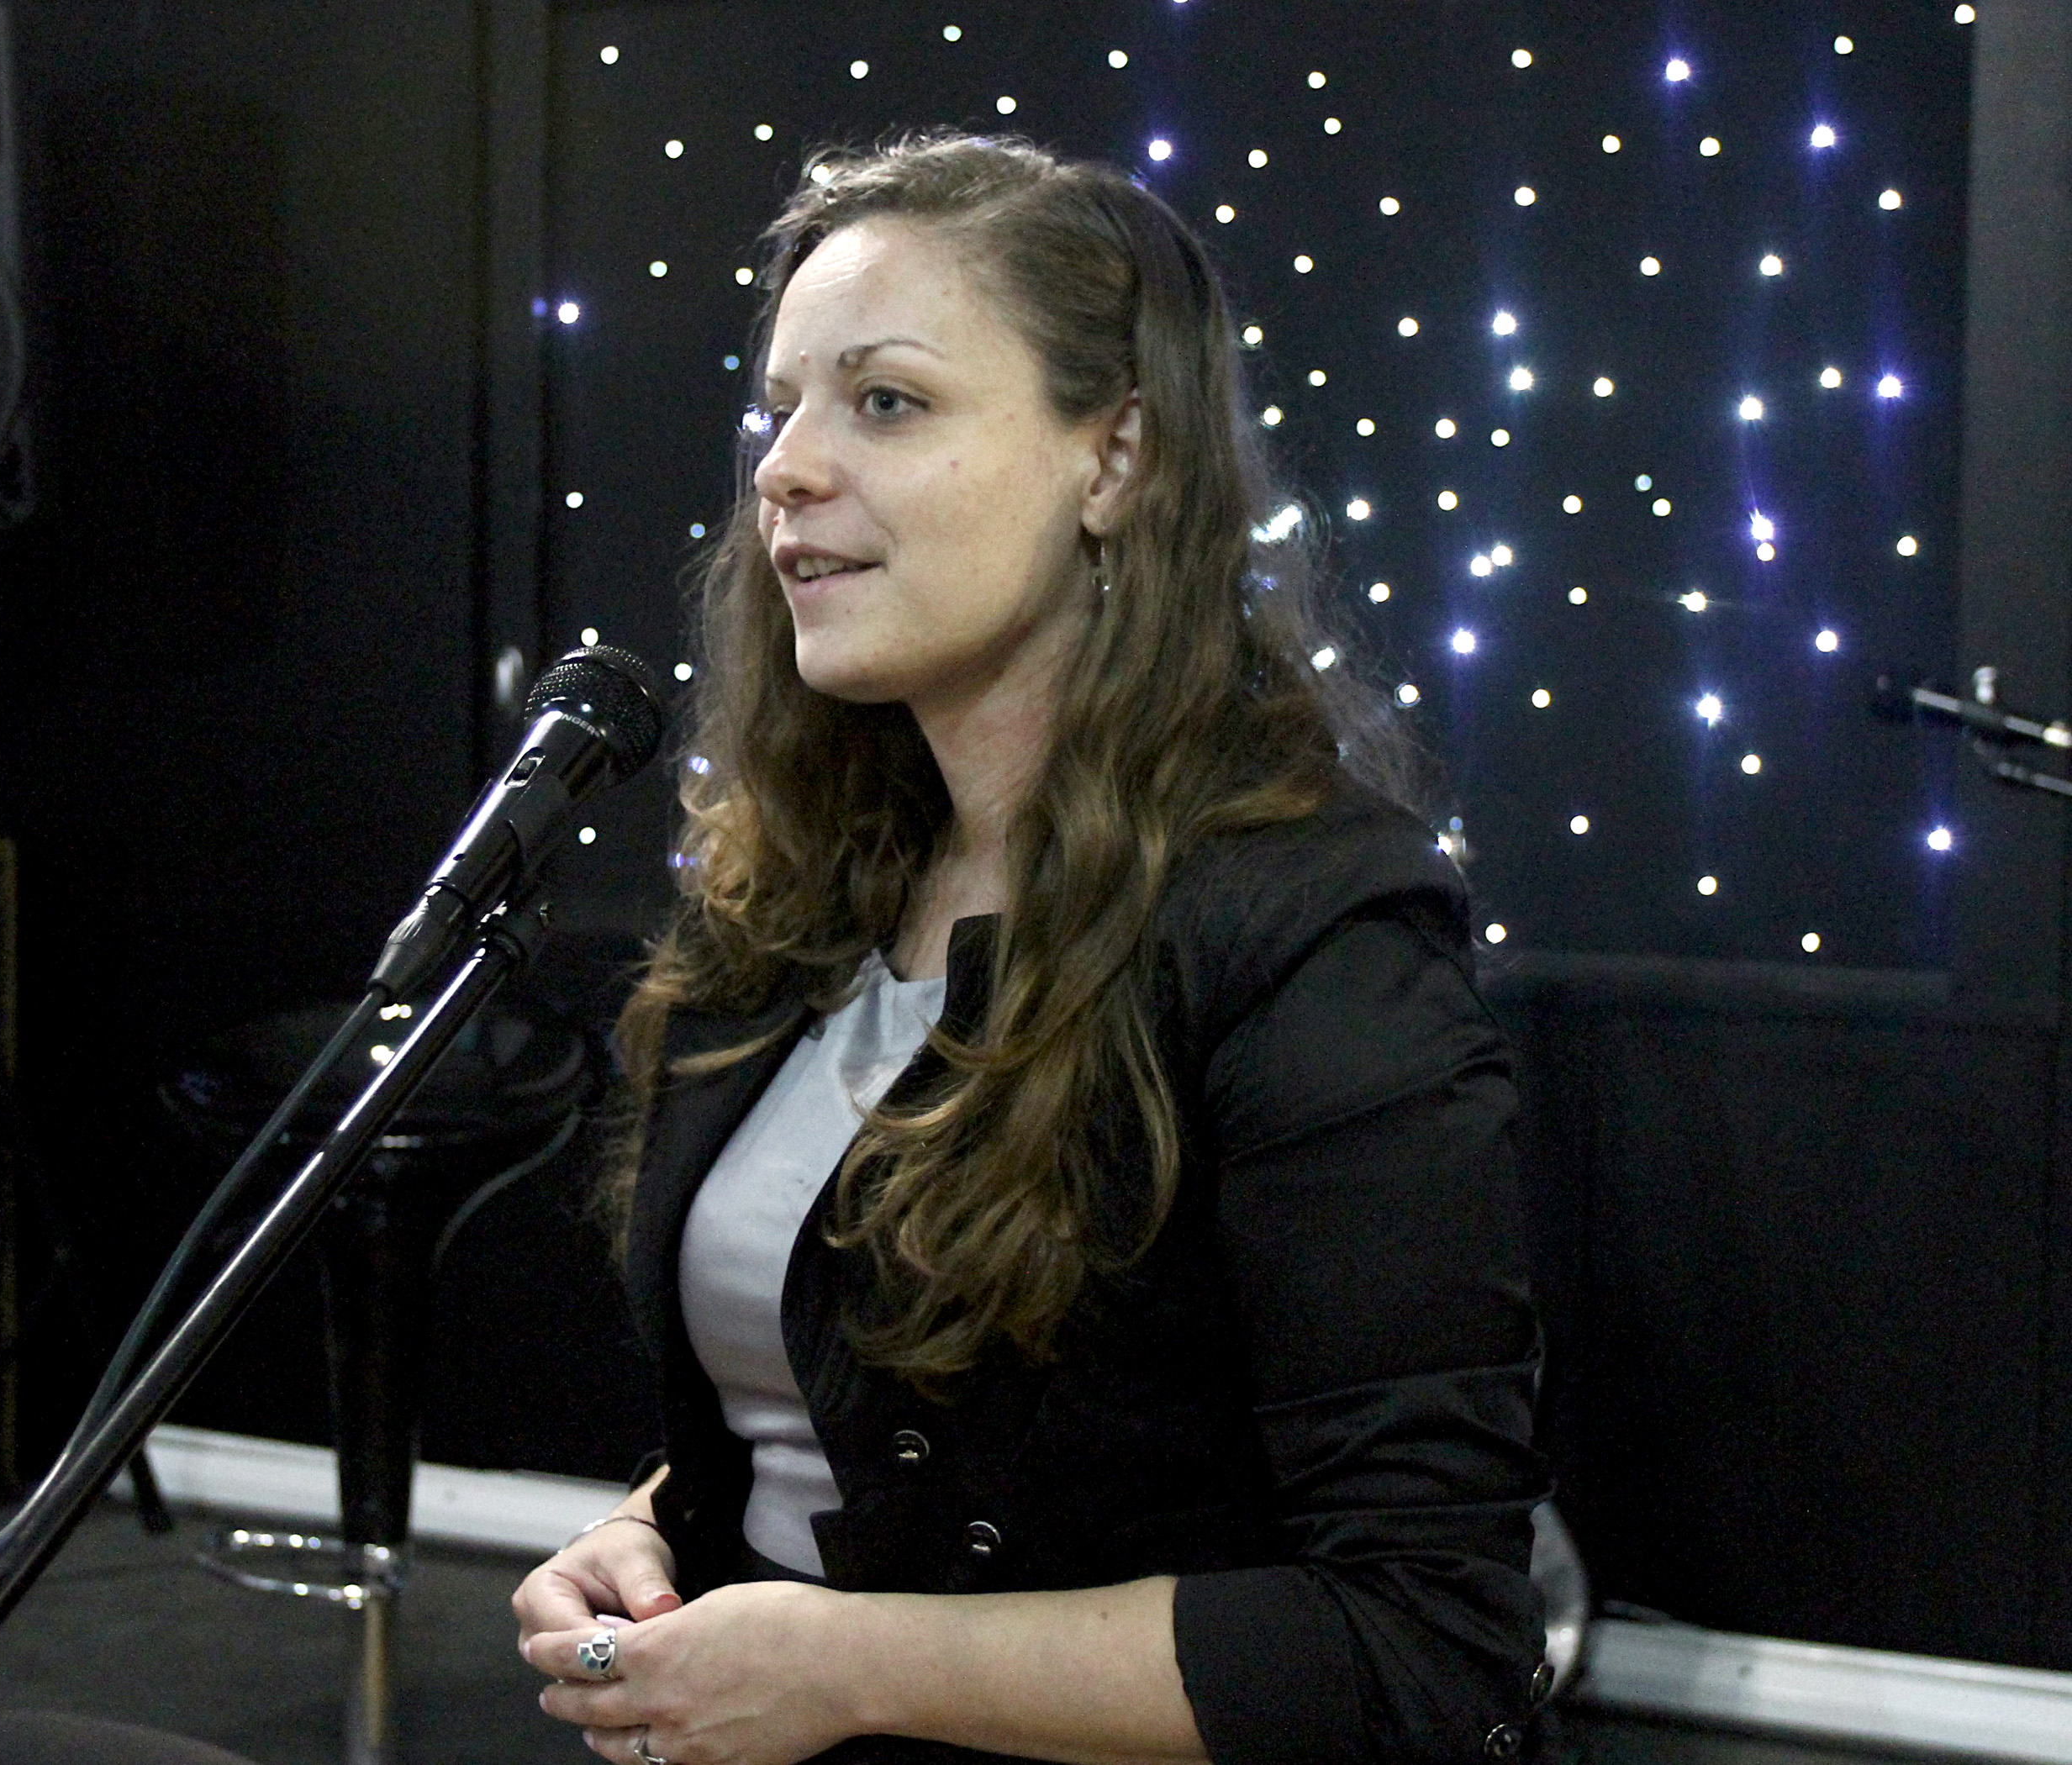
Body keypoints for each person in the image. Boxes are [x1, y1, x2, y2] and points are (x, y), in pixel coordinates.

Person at [513, 133, 1548, 1765]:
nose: (786, 468)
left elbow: (1422, 1646)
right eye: (779, 408)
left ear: (1115, 458)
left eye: (885, 402)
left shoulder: (1315, 931)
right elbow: (860, 1413)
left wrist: (850, 1668)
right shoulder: (802, 892)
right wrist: (653, 1530)